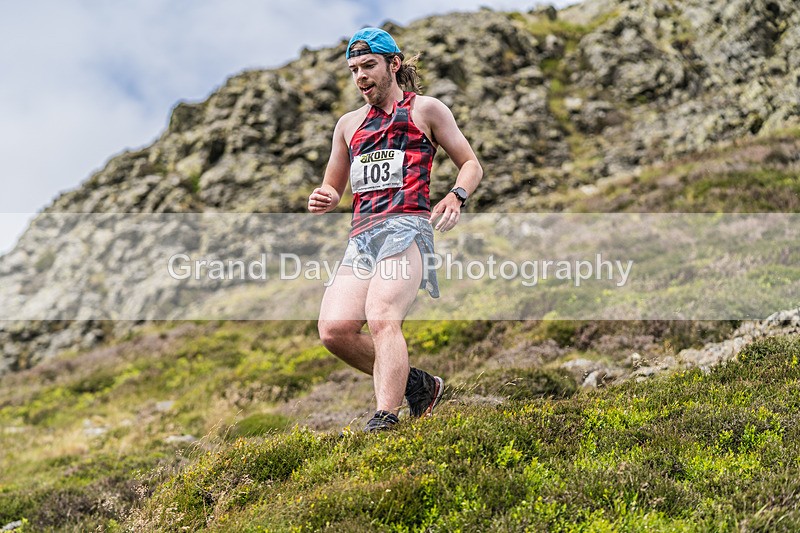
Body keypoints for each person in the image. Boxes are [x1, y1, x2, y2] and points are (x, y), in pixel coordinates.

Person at [307, 27, 482, 431]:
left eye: (369, 66)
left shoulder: (427, 110)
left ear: (394, 64)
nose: (361, 77)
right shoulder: (348, 125)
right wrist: (328, 196)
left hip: (407, 228)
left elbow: (471, 164)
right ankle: (418, 384)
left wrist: (456, 195)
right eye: (354, 70)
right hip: (361, 238)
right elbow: (333, 184)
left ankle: (386, 416)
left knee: (383, 316)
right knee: (334, 330)